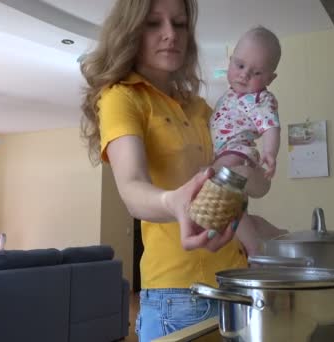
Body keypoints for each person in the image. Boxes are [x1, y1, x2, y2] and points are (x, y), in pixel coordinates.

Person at [79, 0, 268, 340]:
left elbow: (240, 176)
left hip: (237, 284)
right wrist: (173, 202)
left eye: (179, 23)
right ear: (131, 30)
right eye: (154, 23)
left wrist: (256, 170)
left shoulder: (199, 107)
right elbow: (133, 187)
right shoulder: (122, 97)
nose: (170, 34)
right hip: (179, 294)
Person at [210, 27, 284, 256]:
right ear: (230, 61)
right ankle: (274, 233)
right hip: (224, 152)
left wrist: (270, 152)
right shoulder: (229, 93)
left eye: (256, 73)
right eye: (240, 66)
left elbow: (271, 126)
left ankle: (255, 250)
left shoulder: (260, 99)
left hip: (237, 152)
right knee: (236, 215)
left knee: (215, 181)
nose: (244, 75)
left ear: (270, 78)